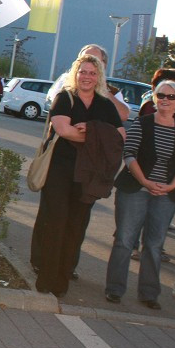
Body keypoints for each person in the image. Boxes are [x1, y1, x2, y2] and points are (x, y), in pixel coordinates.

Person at [33, 43, 131, 277]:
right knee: (54, 219)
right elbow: (64, 130)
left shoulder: (107, 100)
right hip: (59, 168)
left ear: (101, 71)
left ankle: (65, 270)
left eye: (94, 69)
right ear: (76, 69)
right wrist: (98, 137)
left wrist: (91, 129)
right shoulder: (65, 95)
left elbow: (121, 132)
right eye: (83, 68)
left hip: (89, 173)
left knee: (76, 224)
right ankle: (45, 267)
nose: (87, 75)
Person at [104, 80, 175, 310]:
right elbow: (129, 155)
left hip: (166, 194)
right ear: (155, 98)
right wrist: (145, 181)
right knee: (125, 240)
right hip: (135, 189)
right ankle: (115, 289)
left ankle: (149, 294)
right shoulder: (142, 123)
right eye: (161, 95)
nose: (165, 100)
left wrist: (170, 187)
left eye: (171, 96)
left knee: (155, 244)